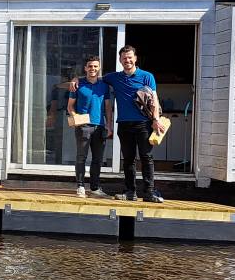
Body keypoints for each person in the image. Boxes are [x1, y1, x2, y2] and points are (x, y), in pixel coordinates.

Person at [97, 45, 164, 203]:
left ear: (135, 58)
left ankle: (149, 193)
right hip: (124, 124)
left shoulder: (147, 76)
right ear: (120, 60)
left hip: (144, 124)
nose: (127, 60)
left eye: (129, 57)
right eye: (124, 58)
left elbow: (154, 99)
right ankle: (130, 193)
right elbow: (94, 78)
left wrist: (155, 120)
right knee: (128, 160)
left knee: (146, 157)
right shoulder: (114, 77)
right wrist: (76, 80)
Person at [66, 55, 113, 198]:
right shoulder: (78, 84)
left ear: (99, 68)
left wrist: (109, 125)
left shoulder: (104, 85)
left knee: (97, 159)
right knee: (81, 157)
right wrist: (75, 117)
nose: (93, 68)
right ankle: (80, 187)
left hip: (100, 126)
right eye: (90, 66)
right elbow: (70, 107)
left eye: (95, 66)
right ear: (85, 68)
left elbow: (107, 107)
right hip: (83, 126)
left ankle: (94, 188)